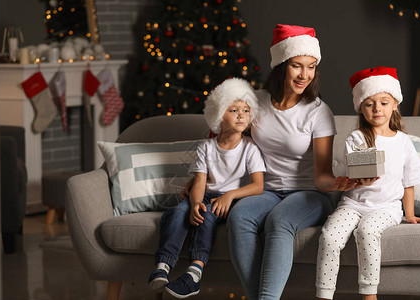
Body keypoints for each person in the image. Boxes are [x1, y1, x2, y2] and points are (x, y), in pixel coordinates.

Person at [226, 24, 358, 300]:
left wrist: (338, 184)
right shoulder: (256, 102)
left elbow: (322, 176)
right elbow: (229, 139)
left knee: (279, 221)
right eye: (297, 66)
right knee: (239, 216)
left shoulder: (319, 112)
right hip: (266, 190)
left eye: (311, 67)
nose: (305, 75)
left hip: (309, 193)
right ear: (281, 65)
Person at [315, 66, 420, 300]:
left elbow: (409, 182)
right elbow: (356, 173)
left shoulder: (403, 142)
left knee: (367, 231)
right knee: (329, 236)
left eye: (383, 102)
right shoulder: (357, 138)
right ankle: (324, 294)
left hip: (386, 207)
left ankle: (369, 294)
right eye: (370, 104)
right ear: (361, 108)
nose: (377, 108)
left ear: (394, 104)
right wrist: (359, 180)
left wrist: (409, 215)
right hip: (353, 204)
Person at [148, 78, 266, 298]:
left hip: (229, 199)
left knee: (207, 216)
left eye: (246, 110)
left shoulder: (250, 149)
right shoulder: (207, 147)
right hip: (204, 194)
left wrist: (230, 195)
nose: (241, 115)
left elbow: (258, 186)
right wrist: (194, 204)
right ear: (218, 114)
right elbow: (200, 181)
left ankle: (195, 272)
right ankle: (163, 266)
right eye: (233, 110)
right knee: (177, 212)